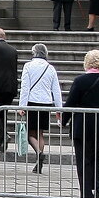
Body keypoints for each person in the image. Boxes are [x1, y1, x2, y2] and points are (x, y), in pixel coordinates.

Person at [64, 50, 99, 198]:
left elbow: (70, 103)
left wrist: (64, 120)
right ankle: (98, 185)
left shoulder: (80, 81)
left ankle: (87, 191)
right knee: (94, 156)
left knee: (83, 159)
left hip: (82, 127)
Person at [18, 43, 63, 173]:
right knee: (40, 133)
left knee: (30, 133)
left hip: (32, 102)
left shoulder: (28, 66)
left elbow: (25, 87)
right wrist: (58, 109)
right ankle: (39, 161)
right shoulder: (50, 68)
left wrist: (22, 106)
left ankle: (39, 153)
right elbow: (56, 90)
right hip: (46, 102)